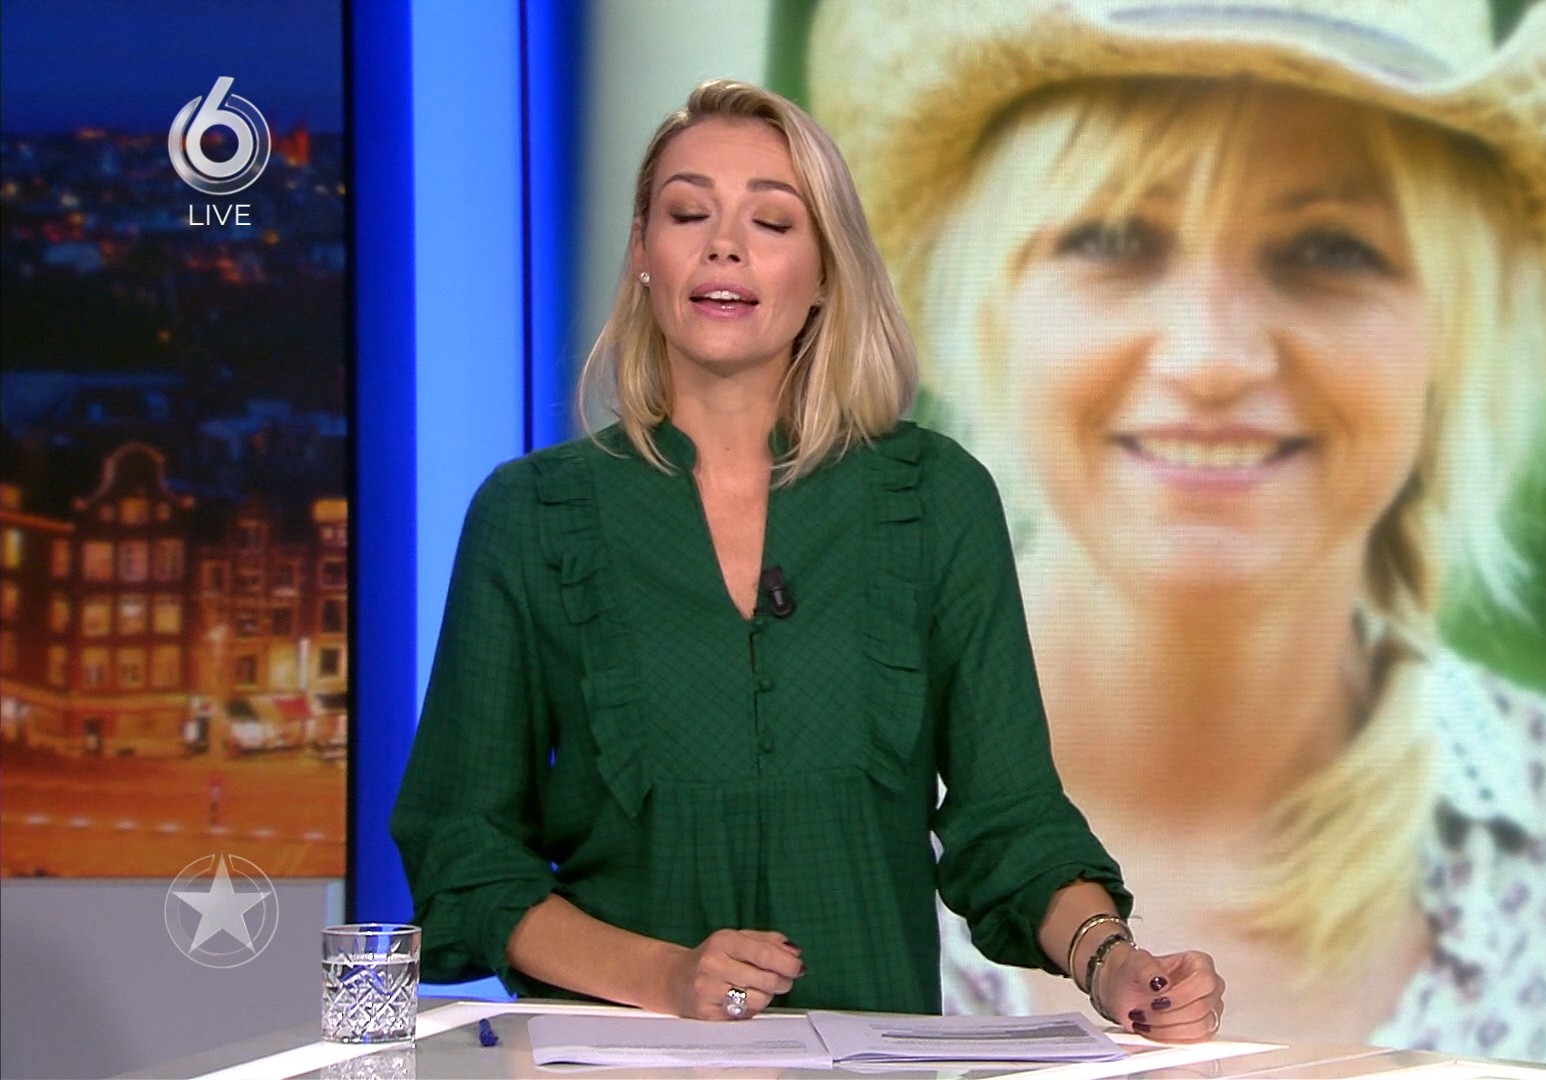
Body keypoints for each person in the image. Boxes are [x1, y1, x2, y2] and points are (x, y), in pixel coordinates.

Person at [810, 0, 1546, 1073]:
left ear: (1452, 332)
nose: (1211, 357)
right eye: (1112, 237)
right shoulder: (775, 807)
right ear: (983, 306)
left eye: (1328, 248)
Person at [389, 79, 1225, 1038]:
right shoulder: (532, 514)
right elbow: (464, 853)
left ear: (826, 270)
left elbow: (1010, 820)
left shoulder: (935, 498)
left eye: (772, 221)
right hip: (619, 1057)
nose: (724, 246)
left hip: (873, 1051)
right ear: (643, 254)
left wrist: (1114, 963)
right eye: (688, 213)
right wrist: (666, 977)